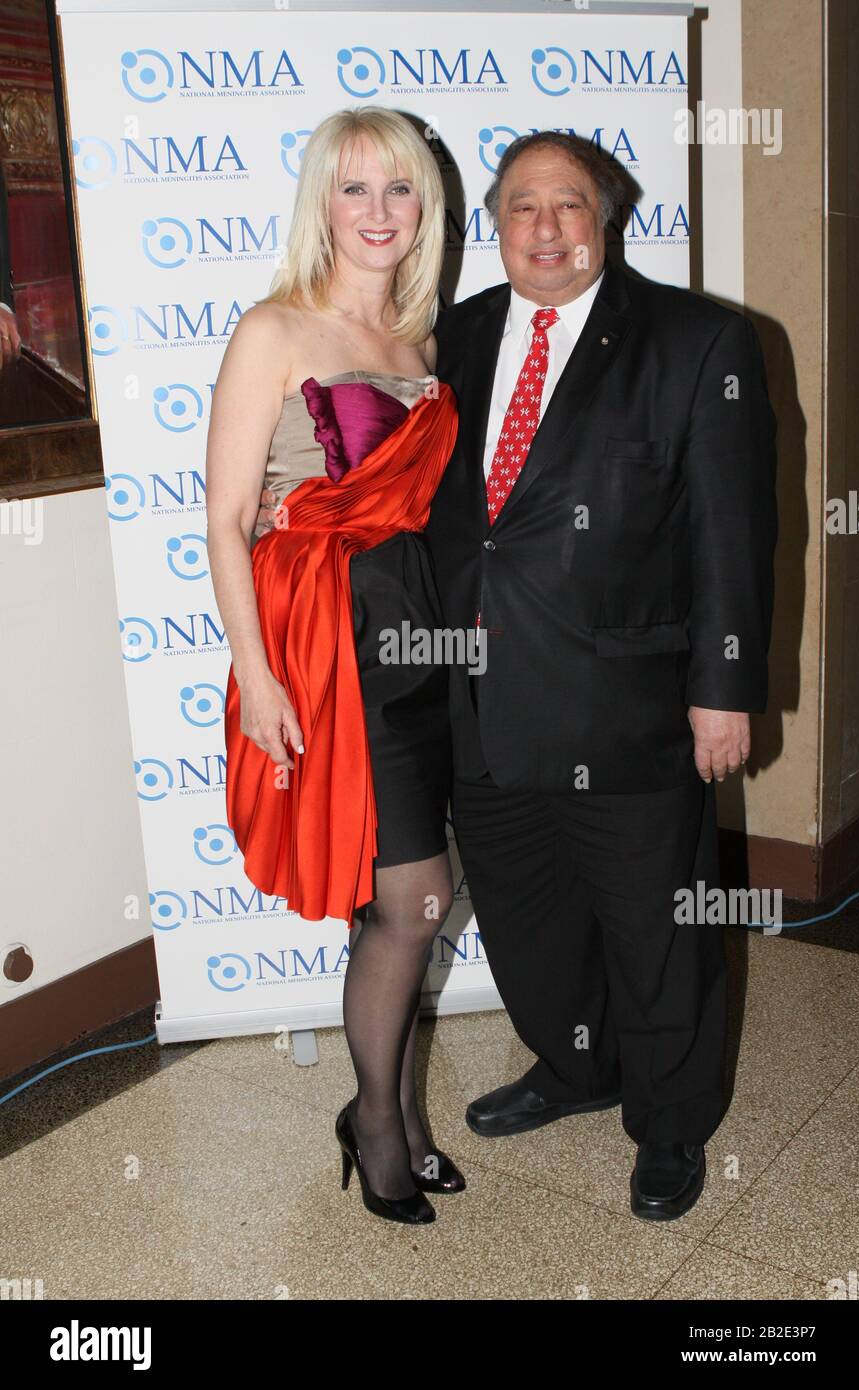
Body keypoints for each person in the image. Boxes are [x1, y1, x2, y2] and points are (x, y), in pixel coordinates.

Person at [256, 130, 777, 1222]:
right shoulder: (451, 335)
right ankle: (574, 1066)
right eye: (521, 208)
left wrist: (722, 686)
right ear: (490, 224)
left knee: (655, 926)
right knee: (533, 923)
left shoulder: (696, 342)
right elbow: (392, 493)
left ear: (607, 215)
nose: (544, 229)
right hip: (475, 704)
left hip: (628, 710)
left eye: (568, 206)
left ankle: (669, 1123)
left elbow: (733, 534)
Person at [206, 106, 463, 1226]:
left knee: (404, 898)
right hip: (327, 648)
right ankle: (375, 1122)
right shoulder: (274, 329)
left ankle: (398, 1115)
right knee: (410, 900)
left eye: (397, 189)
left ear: (424, 209)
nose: (375, 211)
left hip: (425, 638)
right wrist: (257, 679)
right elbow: (223, 521)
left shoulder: (422, 346)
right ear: (322, 203)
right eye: (352, 189)